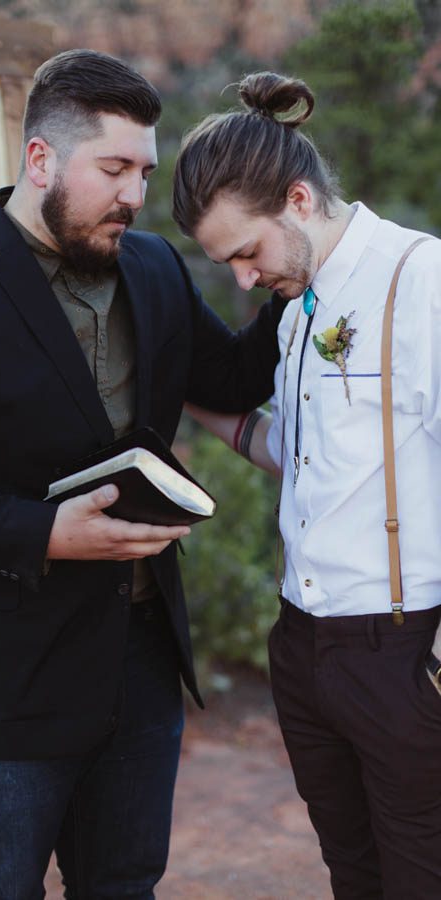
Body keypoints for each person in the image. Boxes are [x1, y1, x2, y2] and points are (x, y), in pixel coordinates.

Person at [0, 51, 285, 899]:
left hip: (138, 664)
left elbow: (228, 381)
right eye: (113, 168)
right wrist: (45, 532)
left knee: (124, 887)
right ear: (40, 160)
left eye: (144, 171)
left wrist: (295, 265)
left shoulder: (153, 266)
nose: (135, 194)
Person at [173, 70, 441, 899]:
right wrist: (174, 391)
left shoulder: (421, 281)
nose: (245, 279)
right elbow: (299, 450)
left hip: (403, 648)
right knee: (353, 876)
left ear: (297, 199)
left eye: (246, 253)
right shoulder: (298, 306)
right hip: (302, 645)